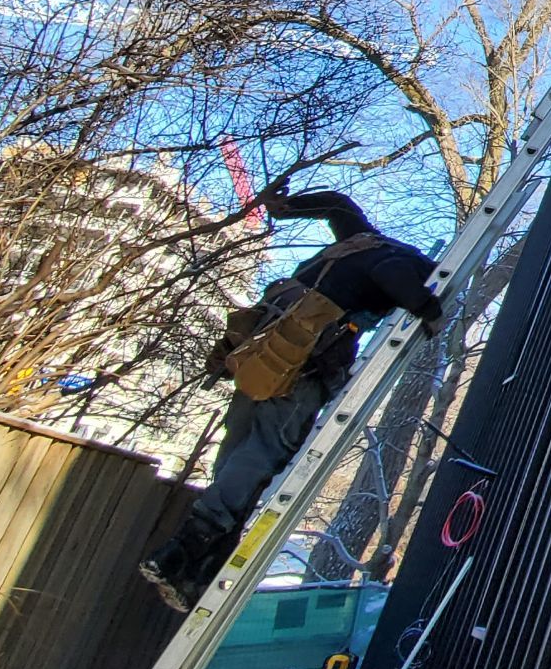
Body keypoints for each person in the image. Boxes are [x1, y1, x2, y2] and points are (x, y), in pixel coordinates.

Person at [139, 187, 443, 612]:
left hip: (259, 356)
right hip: (302, 365)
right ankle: (183, 549)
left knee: (238, 453)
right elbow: (392, 274)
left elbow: (337, 204)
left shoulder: (362, 240)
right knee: (264, 454)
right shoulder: (408, 263)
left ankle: (197, 571)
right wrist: (428, 309)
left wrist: (284, 207)